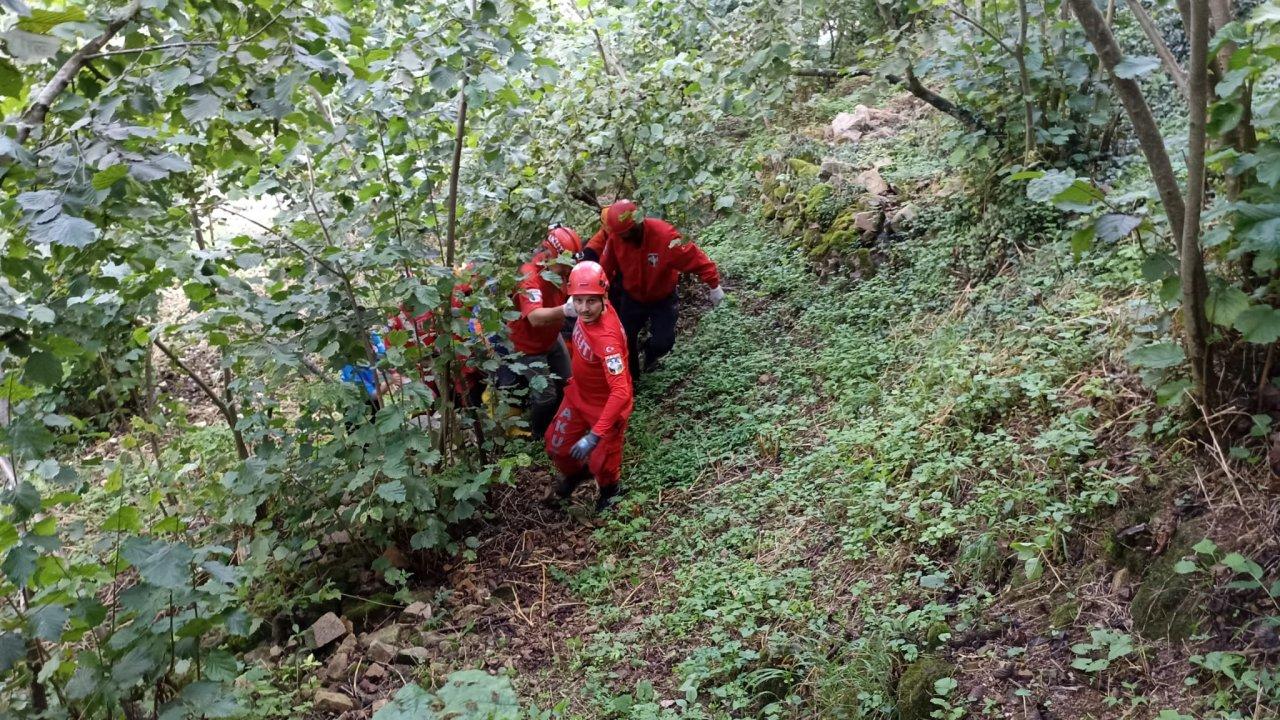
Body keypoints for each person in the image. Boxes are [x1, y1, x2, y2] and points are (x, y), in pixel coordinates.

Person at [582, 200, 726, 377]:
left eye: (628, 234)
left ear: (638, 223)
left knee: (663, 342)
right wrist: (594, 292)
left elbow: (695, 258)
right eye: (621, 235)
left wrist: (714, 285)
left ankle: (651, 354)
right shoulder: (616, 238)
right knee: (624, 339)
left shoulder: (665, 236)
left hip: (662, 298)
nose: (624, 238)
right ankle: (631, 378)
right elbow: (604, 267)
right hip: (632, 298)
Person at [544, 261, 633, 512]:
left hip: (605, 408)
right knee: (556, 445)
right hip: (578, 396)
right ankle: (575, 474)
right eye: (578, 300)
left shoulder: (607, 341)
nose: (583, 308)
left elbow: (620, 391)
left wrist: (595, 434)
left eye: (590, 301)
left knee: (603, 463)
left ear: (604, 296)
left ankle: (610, 492)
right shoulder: (587, 307)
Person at [499, 224, 581, 437]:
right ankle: (539, 434)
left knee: (568, 381)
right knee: (545, 396)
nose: (567, 271)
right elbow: (535, 317)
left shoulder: (562, 271)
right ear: (550, 255)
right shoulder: (530, 276)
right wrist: (567, 310)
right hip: (528, 346)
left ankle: (562, 423)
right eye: (564, 266)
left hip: (551, 338)